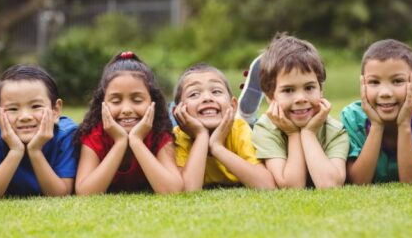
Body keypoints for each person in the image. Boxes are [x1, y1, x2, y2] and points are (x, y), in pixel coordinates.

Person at [75, 51, 183, 195]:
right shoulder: (95, 135)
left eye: (137, 100)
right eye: (116, 101)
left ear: (152, 102)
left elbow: (173, 190)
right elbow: (85, 193)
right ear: (102, 104)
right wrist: (120, 142)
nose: (126, 109)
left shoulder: (159, 133)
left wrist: (136, 140)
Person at [249, 34, 349, 189]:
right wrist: (293, 134)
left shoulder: (335, 131)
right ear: (270, 97)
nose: (301, 98)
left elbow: (330, 185)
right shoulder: (266, 130)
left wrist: (309, 133)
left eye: (309, 88)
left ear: (321, 90)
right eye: (288, 90)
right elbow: (292, 186)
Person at [341, 39, 412, 184]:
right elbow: (358, 182)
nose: (385, 93)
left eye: (397, 81)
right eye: (374, 82)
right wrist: (376, 125)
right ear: (363, 86)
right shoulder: (351, 117)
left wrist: (404, 124)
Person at [0, 64, 77, 198]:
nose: (25, 117)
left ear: (55, 110)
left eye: (36, 106)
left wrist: (35, 150)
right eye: (12, 109)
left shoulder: (66, 135)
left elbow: (61, 195)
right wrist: (15, 151)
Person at [172, 63, 275, 191]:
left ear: (232, 105)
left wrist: (216, 147)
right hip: (176, 122)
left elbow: (266, 185)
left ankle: (247, 116)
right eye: (194, 94)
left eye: (216, 91)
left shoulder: (239, 129)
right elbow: (188, 190)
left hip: (247, 126)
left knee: (255, 126)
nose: (207, 98)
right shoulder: (179, 137)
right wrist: (201, 136)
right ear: (179, 111)